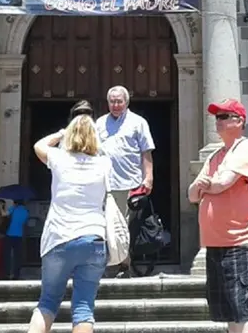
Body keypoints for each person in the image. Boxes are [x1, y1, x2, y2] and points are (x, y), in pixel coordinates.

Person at [188, 98, 248, 333]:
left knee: (243, 307)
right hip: (216, 243)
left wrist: (206, 186)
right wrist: (203, 186)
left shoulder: (247, 147)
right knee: (230, 310)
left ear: (239, 121)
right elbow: (192, 194)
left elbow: (222, 183)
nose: (217, 121)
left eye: (223, 116)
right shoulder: (215, 156)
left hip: (241, 240)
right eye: (216, 117)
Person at [29, 113, 110, 333]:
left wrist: (60, 134)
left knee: (47, 302)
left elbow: (38, 146)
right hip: (93, 237)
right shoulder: (103, 163)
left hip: (58, 236)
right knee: (84, 306)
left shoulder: (59, 158)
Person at [95, 85, 155, 277]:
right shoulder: (99, 123)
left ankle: (123, 266)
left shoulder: (138, 122)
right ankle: (118, 265)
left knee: (125, 228)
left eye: (119, 101)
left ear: (126, 102)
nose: (115, 105)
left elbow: (146, 152)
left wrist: (148, 177)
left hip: (130, 184)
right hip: (104, 184)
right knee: (108, 227)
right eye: (112, 101)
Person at [3, 198, 29, 280]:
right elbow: (24, 223)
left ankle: (7, 273)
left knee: (7, 255)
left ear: (15, 203)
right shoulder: (26, 211)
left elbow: (4, 214)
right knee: (17, 256)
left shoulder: (13, 209)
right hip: (19, 235)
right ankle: (16, 275)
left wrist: (1, 207)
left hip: (9, 234)